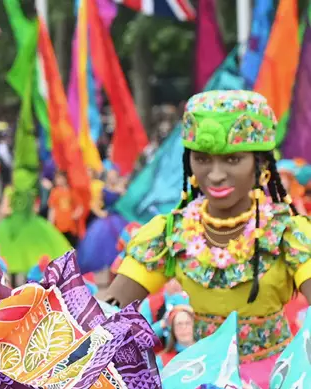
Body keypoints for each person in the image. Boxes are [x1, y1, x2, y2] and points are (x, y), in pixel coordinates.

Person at [103, 90, 311, 386]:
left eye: (233, 159)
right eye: (202, 159)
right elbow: (107, 311)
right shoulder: (170, 234)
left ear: (261, 164)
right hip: (197, 378)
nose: (215, 175)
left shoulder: (288, 234)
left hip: (274, 377)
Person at [76, 167, 130, 274]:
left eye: (113, 176)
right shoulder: (103, 189)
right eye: (110, 176)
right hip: (106, 219)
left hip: (118, 219)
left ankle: (119, 269)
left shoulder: (122, 190)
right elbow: (95, 205)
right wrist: (101, 213)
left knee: (121, 243)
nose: (112, 178)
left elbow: (126, 204)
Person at [48, 171, 83, 246]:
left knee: (71, 248)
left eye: (60, 178)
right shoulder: (54, 192)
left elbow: (80, 206)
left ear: (65, 179)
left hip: (71, 227)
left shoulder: (71, 191)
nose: (58, 180)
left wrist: (75, 215)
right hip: (59, 226)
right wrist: (50, 223)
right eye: (57, 178)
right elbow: (52, 209)